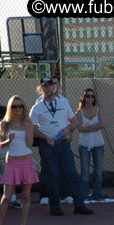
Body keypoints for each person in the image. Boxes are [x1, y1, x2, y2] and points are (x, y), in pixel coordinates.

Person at [29, 77, 94, 216]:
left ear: (54, 87)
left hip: (64, 145)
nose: (48, 88)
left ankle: (79, 205)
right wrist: (45, 137)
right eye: (45, 86)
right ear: (40, 89)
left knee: (72, 174)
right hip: (47, 146)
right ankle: (55, 207)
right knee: (52, 176)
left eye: (50, 85)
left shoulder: (63, 103)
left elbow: (74, 121)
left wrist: (68, 130)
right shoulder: (37, 107)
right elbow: (32, 128)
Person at [0, 96, 39, 225]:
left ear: (24, 107)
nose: (17, 109)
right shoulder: (5, 123)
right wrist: (8, 141)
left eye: (20, 106)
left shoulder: (27, 122)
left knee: (26, 196)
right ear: (10, 108)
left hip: (27, 162)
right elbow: (1, 145)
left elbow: (29, 144)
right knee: (6, 197)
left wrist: (29, 127)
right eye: (14, 106)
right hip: (12, 162)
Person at [76, 88, 106, 202]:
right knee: (85, 172)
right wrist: (95, 127)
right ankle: (84, 194)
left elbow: (102, 124)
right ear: (83, 98)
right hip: (84, 144)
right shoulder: (79, 112)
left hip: (98, 144)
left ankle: (97, 194)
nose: (90, 98)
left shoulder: (98, 110)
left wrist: (87, 128)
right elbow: (79, 128)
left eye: (92, 96)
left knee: (98, 171)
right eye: (87, 96)